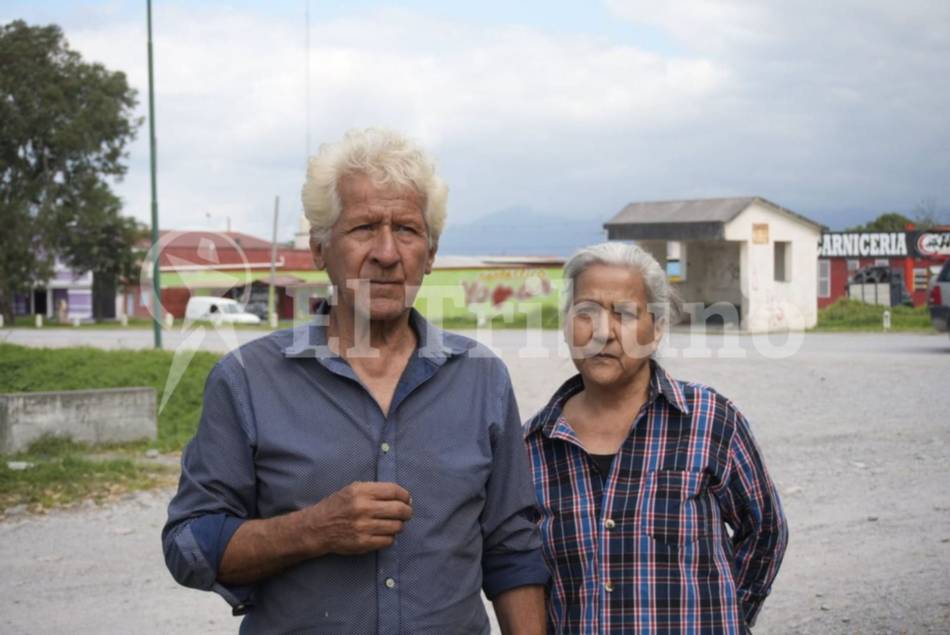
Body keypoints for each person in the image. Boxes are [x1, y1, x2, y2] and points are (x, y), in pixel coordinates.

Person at [163, 128, 548, 634]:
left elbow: (511, 550)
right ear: (320, 248)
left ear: (429, 256)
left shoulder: (482, 379)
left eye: (408, 230)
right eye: (365, 227)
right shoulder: (248, 380)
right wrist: (312, 530)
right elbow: (190, 546)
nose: (387, 253)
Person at [524, 242, 788, 633]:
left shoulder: (709, 420)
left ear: (658, 327)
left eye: (625, 314)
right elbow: (524, 575)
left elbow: (766, 530)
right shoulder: (534, 446)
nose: (602, 332)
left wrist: (729, 618)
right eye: (586, 312)